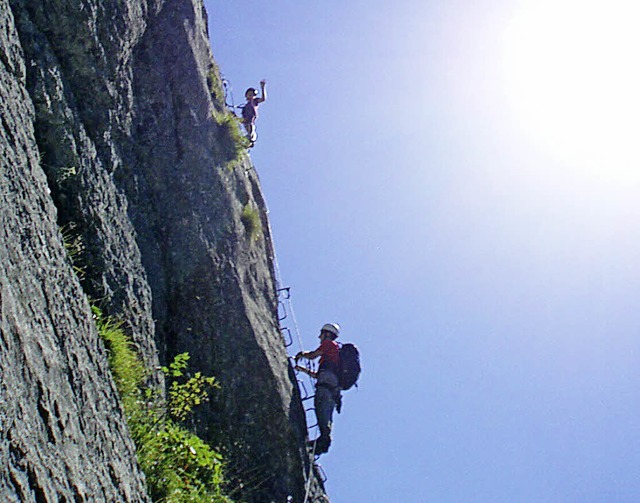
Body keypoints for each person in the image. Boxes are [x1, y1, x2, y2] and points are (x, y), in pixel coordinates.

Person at [295, 323, 342, 455]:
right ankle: (322, 441)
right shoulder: (334, 354)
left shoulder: (329, 344)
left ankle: (324, 441)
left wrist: (302, 354)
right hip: (332, 387)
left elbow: (313, 355)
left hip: (327, 385)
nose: (319, 337)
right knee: (324, 412)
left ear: (327, 334)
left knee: (321, 407)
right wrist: (302, 370)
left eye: (321, 334)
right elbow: (317, 375)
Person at [241, 80, 267, 147]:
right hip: (246, 122)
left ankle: (251, 140)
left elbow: (263, 99)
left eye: (252, 94)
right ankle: (248, 141)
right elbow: (242, 119)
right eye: (249, 94)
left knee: (251, 130)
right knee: (248, 130)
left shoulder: (254, 101)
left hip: (250, 121)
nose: (250, 96)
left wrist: (263, 87)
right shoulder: (245, 107)